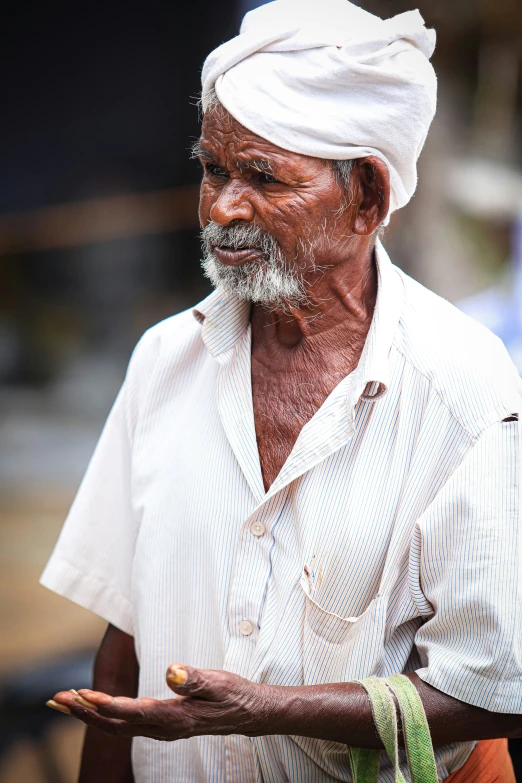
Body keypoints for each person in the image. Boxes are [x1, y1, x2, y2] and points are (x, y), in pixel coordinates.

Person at [42, 1, 522, 781]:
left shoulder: (465, 388)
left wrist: (264, 707)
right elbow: (122, 652)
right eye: (213, 170)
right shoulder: (164, 360)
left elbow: (496, 690)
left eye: (263, 177)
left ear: (366, 196)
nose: (223, 208)